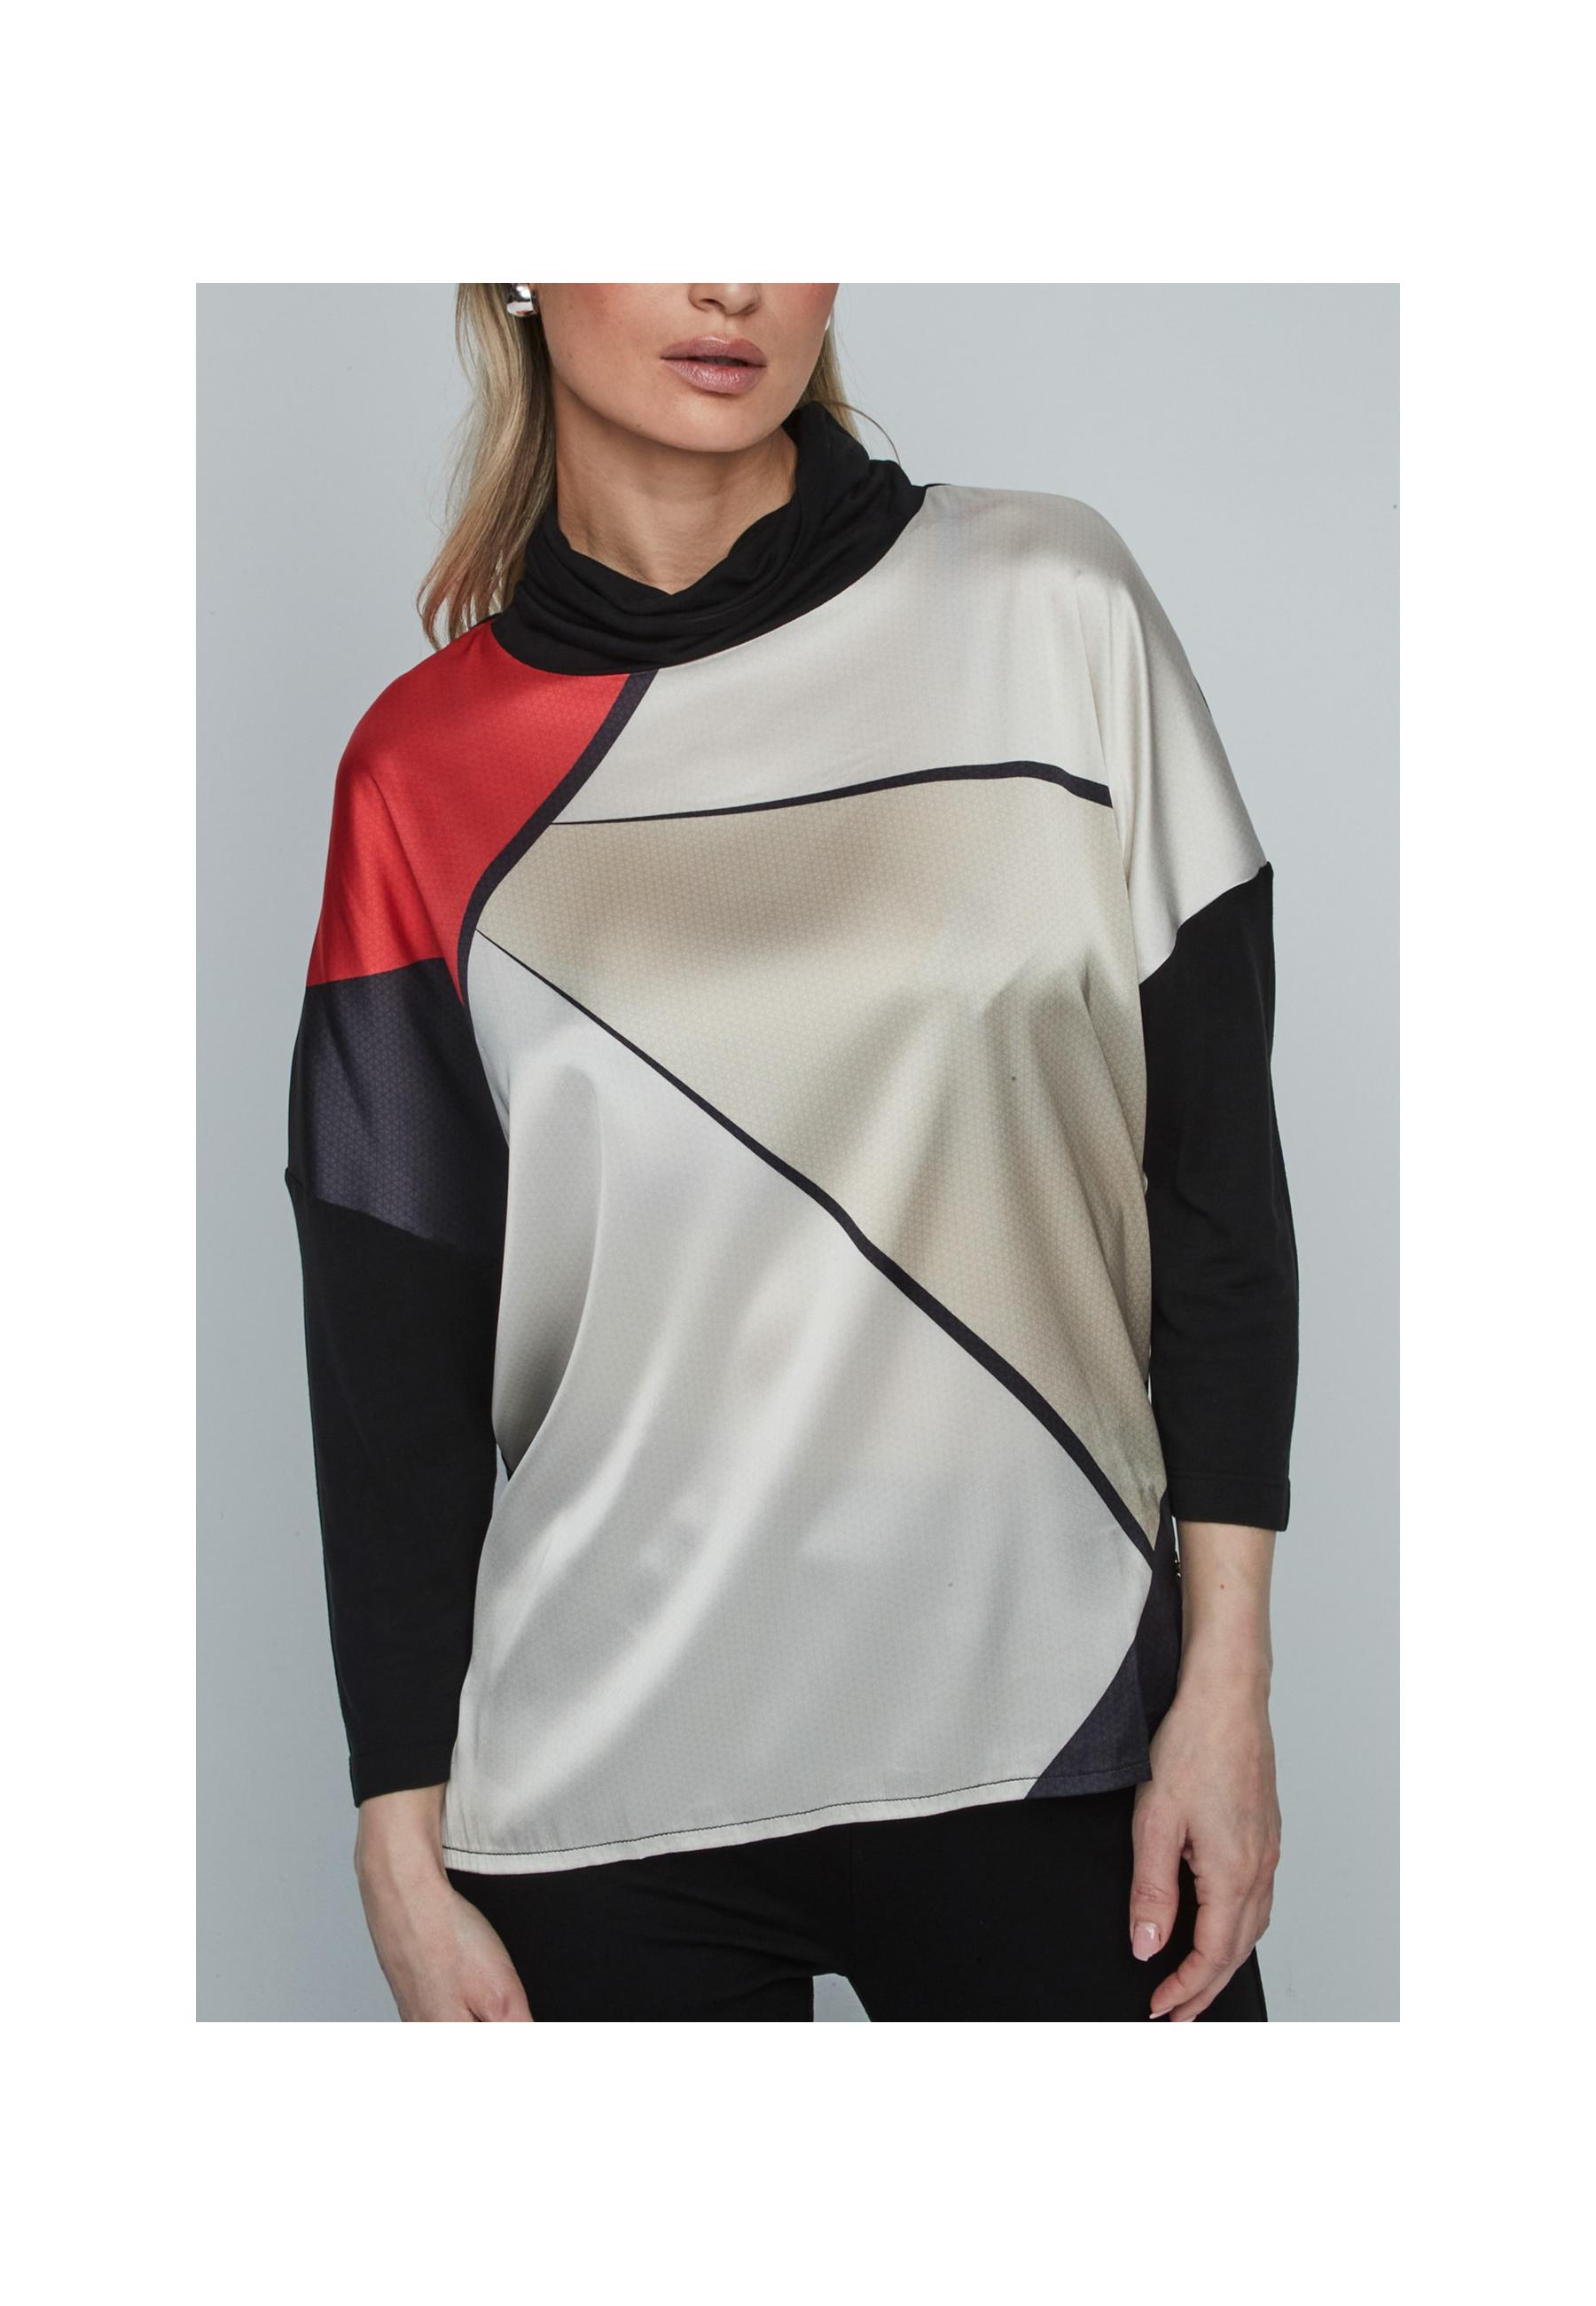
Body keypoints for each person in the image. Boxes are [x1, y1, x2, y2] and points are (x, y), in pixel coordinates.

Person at [285, 282, 1299, 2021]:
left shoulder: (1053, 608)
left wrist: (1229, 1683)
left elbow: (1215, 1188)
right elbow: (392, 1347)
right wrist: (397, 1823)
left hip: (1054, 1721)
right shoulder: (420, 771)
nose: (734, 280)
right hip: (603, 1775)